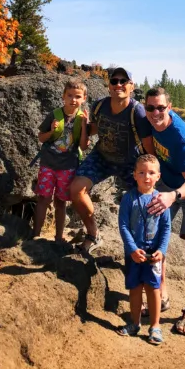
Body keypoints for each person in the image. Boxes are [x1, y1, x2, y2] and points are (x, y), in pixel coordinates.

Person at [145, 87, 185, 336]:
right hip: (166, 182)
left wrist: (173, 196)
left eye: (161, 107)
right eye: (150, 107)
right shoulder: (147, 120)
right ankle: (161, 296)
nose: (155, 112)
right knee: (153, 237)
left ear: (169, 107)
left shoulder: (182, 137)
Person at [70, 67, 154, 254]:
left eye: (123, 81)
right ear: (108, 86)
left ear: (131, 86)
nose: (118, 85)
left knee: (141, 204)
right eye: (114, 81)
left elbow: (149, 146)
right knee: (76, 189)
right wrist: (81, 125)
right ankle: (93, 234)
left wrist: (155, 174)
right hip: (102, 157)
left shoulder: (137, 112)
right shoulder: (100, 105)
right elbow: (95, 129)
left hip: (129, 162)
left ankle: (140, 247)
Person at [117, 154, 171, 345]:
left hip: (153, 254)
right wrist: (131, 249)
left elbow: (166, 228)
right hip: (134, 254)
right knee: (134, 289)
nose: (146, 176)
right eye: (141, 172)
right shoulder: (128, 198)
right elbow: (123, 225)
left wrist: (162, 251)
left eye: (151, 172)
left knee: (153, 289)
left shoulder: (162, 200)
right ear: (134, 175)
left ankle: (155, 326)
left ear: (158, 176)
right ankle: (135, 323)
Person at [33, 78, 89, 242]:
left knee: (61, 202)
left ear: (84, 98)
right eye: (70, 95)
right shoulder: (54, 115)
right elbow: (41, 138)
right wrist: (51, 131)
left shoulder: (81, 119)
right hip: (48, 165)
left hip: (68, 167)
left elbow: (84, 147)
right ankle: (35, 235)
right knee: (43, 199)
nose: (73, 100)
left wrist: (85, 125)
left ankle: (58, 237)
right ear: (63, 96)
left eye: (78, 96)